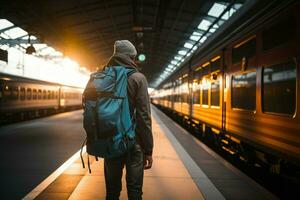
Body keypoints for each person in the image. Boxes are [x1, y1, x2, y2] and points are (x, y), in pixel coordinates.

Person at [104, 40, 153, 200]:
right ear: (130, 57)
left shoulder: (103, 76)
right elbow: (144, 116)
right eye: (133, 57)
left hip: (111, 142)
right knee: (134, 191)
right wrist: (148, 149)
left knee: (112, 192)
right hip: (133, 142)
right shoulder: (138, 78)